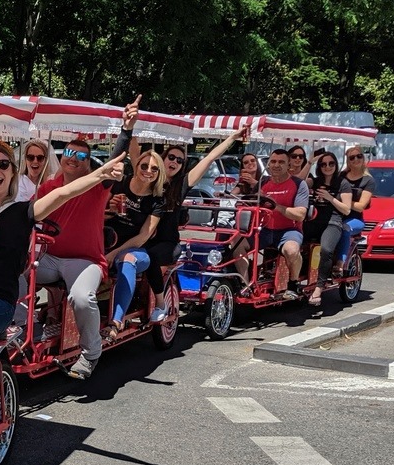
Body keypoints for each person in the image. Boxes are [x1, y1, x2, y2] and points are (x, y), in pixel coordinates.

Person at [0, 142, 124, 440]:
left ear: (12, 172)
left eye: (3, 165)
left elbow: (64, 193)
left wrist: (100, 175)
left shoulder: (22, 211)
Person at [32, 132, 116, 380]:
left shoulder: (97, 186)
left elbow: (113, 162)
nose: (74, 158)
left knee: (81, 297)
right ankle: (23, 328)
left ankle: (90, 353)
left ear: (88, 163)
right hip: (50, 257)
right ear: (62, 157)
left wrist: (126, 130)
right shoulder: (48, 187)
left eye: (81, 155)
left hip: (85, 260)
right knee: (14, 271)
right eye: (69, 152)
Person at [144, 128, 249, 321]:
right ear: (163, 159)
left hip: (167, 243)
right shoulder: (147, 181)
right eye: (172, 157)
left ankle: (159, 304)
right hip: (143, 239)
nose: (174, 162)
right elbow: (135, 158)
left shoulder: (182, 184)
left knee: (149, 261)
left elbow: (208, 159)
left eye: (180, 160)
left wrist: (232, 138)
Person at [103, 149, 166, 337]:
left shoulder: (157, 200)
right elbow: (97, 217)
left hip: (136, 250)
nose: (148, 171)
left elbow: (143, 237)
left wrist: (115, 253)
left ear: (159, 173)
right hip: (107, 241)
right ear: (136, 166)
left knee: (127, 259)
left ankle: (116, 321)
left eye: (154, 169)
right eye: (144, 166)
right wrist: (110, 209)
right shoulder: (119, 185)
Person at [253, 149, 308, 300]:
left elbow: (301, 214)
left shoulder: (298, 184)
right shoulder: (263, 182)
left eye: (281, 162)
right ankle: (246, 282)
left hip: (289, 230)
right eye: (273, 161)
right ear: (269, 163)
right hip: (264, 229)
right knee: (236, 245)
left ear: (289, 164)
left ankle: (293, 283)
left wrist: (277, 207)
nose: (276, 165)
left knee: (291, 251)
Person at [305, 152, 353, 307]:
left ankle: (319, 287)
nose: (327, 167)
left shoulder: (342, 183)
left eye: (331, 163)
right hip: (313, 220)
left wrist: (330, 197)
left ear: (336, 164)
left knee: (326, 249)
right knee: (294, 242)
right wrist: (309, 162)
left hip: (333, 221)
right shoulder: (315, 181)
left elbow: (346, 210)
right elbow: (298, 182)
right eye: (323, 164)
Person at [335, 146, 375, 269]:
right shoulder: (341, 176)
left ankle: (340, 264)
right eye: (352, 157)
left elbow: (361, 206)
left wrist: (343, 202)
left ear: (363, 158)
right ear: (348, 161)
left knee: (345, 229)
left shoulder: (368, 181)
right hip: (337, 216)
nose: (356, 159)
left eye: (359, 156)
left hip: (355, 219)